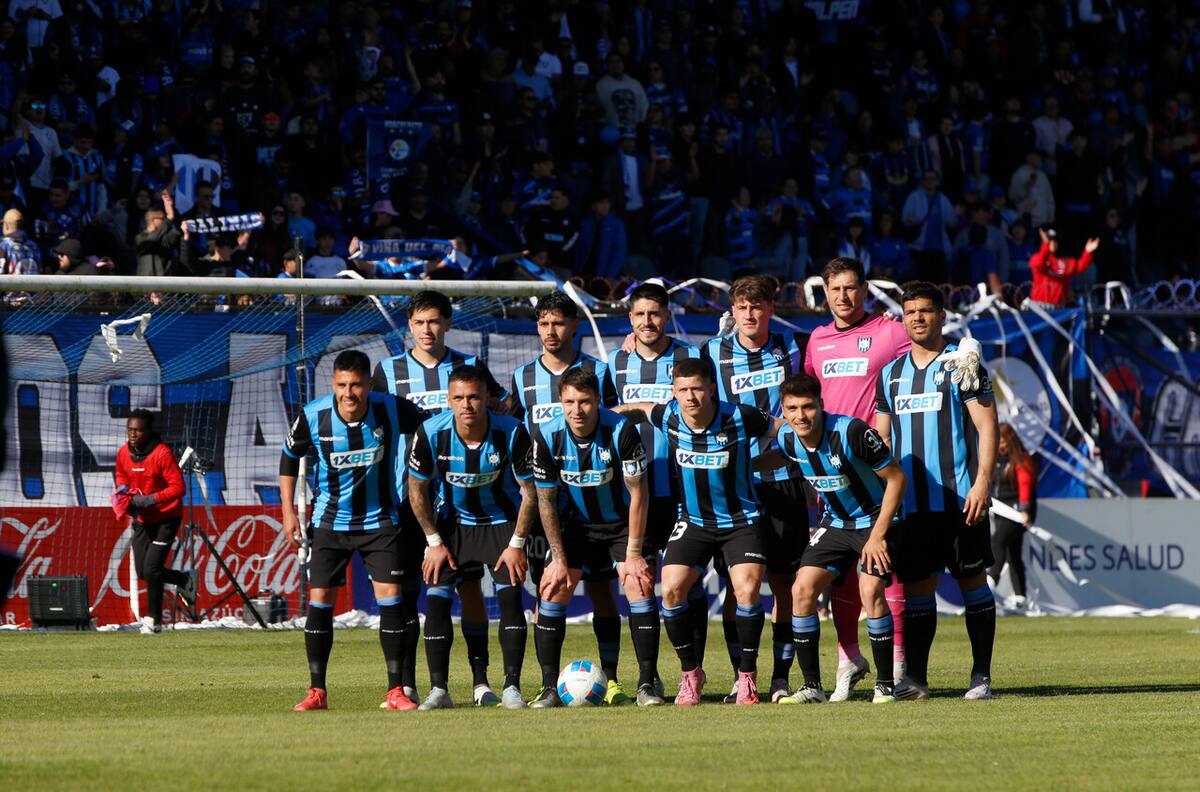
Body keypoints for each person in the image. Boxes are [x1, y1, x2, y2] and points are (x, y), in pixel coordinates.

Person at [613, 358, 779, 705]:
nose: (690, 397)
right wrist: (604, 416)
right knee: (671, 590)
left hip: (741, 521)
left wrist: (760, 465)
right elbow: (639, 409)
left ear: (712, 389)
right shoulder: (669, 416)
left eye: (697, 389)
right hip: (693, 522)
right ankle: (691, 674)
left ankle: (746, 677)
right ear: (674, 392)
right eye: (683, 390)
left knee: (747, 590)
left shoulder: (741, 416)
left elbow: (787, 430)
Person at [371, 289, 506, 707]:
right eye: (419, 322)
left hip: (460, 503)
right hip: (406, 498)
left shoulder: (468, 368)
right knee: (409, 591)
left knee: (468, 591)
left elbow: (500, 410)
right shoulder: (388, 371)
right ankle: (407, 684)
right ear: (408, 327)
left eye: (434, 321)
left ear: (447, 324)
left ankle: (481, 681)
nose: (427, 330)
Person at [280, 350, 428, 712]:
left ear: (369, 385)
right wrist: (288, 513)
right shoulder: (312, 416)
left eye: (357, 385)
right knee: (320, 603)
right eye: (342, 385)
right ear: (333, 384)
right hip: (330, 524)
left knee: (391, 599)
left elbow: (432, 428)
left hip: (381, 522)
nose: (349, 393)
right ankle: (317, 692)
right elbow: (288, 459)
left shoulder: (392, 408)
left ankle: (396, 691)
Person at [875, 282, 1000, 701]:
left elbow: (987, 426)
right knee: (917, 592)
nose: (917, 318)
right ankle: (917, 680)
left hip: (960, 497)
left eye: (926, 311)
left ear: (942, 316)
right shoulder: (890, 374)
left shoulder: (963, 364)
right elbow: (881, 441)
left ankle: (980, 676)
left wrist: (983, 481)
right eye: (910, 312)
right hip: (911, 506)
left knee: (972, 584)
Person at [506, 290, 630, 703]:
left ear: (574, 326)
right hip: (551, 510)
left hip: (603, 505)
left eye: (558, 323)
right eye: (543, 323)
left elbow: (613, 424)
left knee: (601, 591)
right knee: (550, 588)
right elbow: (514, 432)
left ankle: (610, 678)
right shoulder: (523, 378)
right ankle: (547, 686)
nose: (550, 331)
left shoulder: (597, 370)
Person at [754, 374, 907, 704]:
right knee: (801, 590)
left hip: (877, 521)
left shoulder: (852, 432)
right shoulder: (789, 437)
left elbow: (896, 479)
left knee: (870, 589)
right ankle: (812, 687)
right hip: (836, 523)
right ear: (783, 409)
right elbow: (781, 456)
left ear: (821, 405)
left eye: (808, 407)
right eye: (792, 409)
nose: (801, 416)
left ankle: (884, 686)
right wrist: (743, 467)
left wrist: (878, 536)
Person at [803, 257, 911, 700]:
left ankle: (898, 662)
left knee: (886, 570)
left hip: (879, 471)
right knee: (841, 576)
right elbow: (809, 400)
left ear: (864, 290)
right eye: (835, 289)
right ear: (824, 293)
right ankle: (849, 657)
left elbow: (928, 344)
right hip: (832, 477)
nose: (843, 297)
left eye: (851, 288)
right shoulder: (817, 339)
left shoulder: (889, 330)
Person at [529, 367, 662, 707]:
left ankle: (647, 684)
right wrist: (558, 560)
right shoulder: (546, 436)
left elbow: (639, 494)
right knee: (553, 588)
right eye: (569, 402)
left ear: (598, 401)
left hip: (622, 523)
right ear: (560, 401)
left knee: (638, 584)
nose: (577, 410)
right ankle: (548, 687)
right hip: (576, 525)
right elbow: (545, 501)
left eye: (585, 402)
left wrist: (633, 553)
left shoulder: (621, 431)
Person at [407, 365, 537, 711]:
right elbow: (416, 492)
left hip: (501, 524)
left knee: (510, 599)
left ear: (487, 399)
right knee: (437, 600)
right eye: (460, 398)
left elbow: (531, 493)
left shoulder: (512, 432)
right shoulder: (430, 433)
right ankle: (439, 690)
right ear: (449, 400)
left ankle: (511, 687)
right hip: (451, 527)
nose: (467, 405)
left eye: (475, 397)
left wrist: (517, 544)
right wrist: (433, 542)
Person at [113, 409, 196, 634]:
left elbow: (179, 488)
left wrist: (150, 499)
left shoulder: (162, 453)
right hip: (142, 518)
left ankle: (153, 621)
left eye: (138, 430)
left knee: (152, 569)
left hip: (166, 519)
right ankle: (183, 579)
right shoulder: (123, 453)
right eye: (130, 430)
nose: (133, 434)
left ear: (148, 431)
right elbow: (121, 475)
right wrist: (123, 494)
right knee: (143, 571)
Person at [988, 423, 1038, 608]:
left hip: (1017, 513)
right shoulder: (998, 460)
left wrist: (1024, 510)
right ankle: (1020, 597)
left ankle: (991, 580)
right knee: (1013, 552)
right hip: (1001, 510)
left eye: (1002, 441)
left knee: (998, 540)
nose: (1000, 446)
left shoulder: (1021, 460)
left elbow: (1025, 485)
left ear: (1010, 440)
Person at [1030, 228, 1098, 308]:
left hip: (1058, 307)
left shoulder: (1063, 262)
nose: (1053, 243)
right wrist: (1045, 246)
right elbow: (1038, 264)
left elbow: (1080, 266)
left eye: (1055, 241)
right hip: (1040, 306)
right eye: (1050, 241)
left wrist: (1088, 252)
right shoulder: (1036, 258)